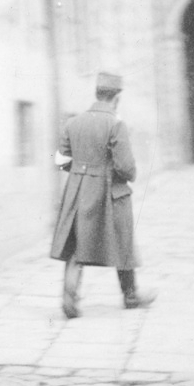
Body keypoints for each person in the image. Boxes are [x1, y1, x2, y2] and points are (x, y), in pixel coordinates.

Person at [51, 72, 156, 317]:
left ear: (97, 94)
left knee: (76, 242)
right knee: (123, 239)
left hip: (78, 189)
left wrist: (79, 171)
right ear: (116, 98)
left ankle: (69, 298)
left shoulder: (73, 123)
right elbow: (126, 168)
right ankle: (130, 295)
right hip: (111, 192)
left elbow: (60, 160)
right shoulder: (116, 124)